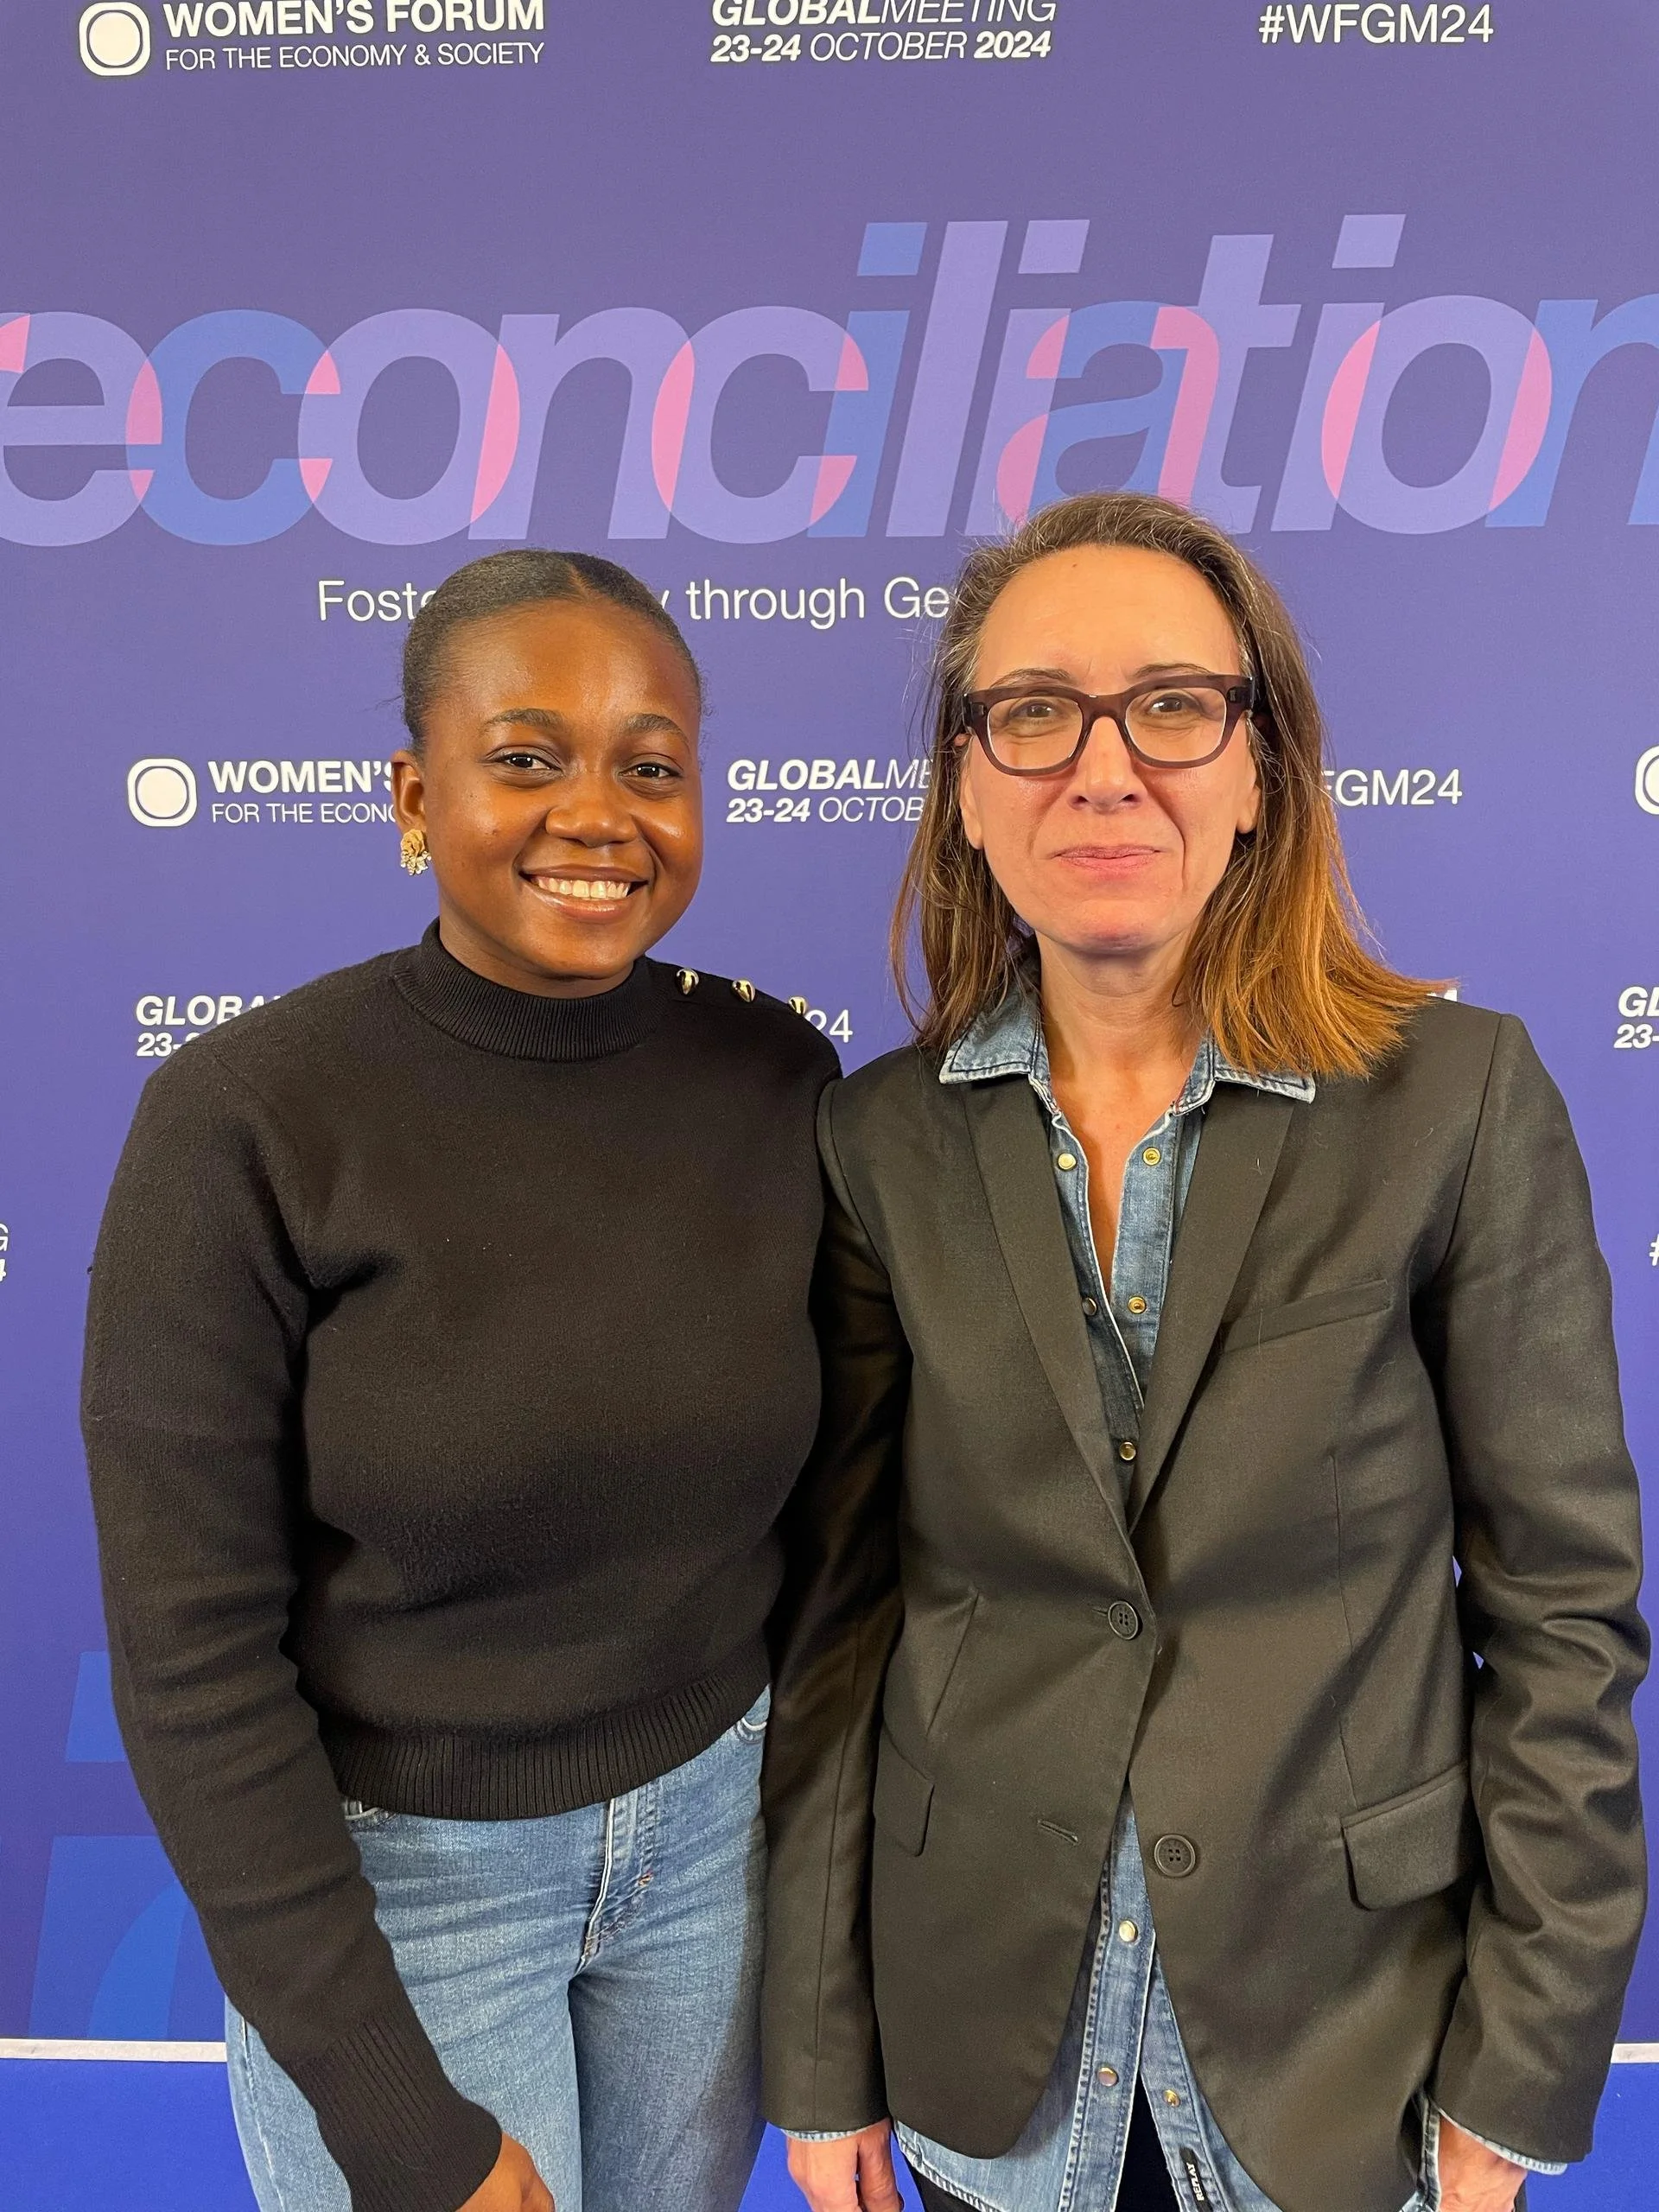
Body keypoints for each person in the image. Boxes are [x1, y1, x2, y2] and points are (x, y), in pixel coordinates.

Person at [760, 492, 1647, 2212]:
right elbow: (837, 1630)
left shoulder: (1456, 1099)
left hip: (1339, 2058)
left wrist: (1520, 2072)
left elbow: (1561, 1620)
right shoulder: (875, 1143)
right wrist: (819, 2044)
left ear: (1261, 770)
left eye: (1173, 705)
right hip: (983, 2055)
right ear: (964, 779)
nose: (1103, 769)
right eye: (1034, 711)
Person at [82, 550, 838, 2212]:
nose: (600, 812)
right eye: (526, 758)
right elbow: (191, 1652)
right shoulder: (245, 1120)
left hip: (713, 1854)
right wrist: (385, 2109)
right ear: (415, 796)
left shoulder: (776, 1076)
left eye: (653, 765)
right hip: (405, 1891)